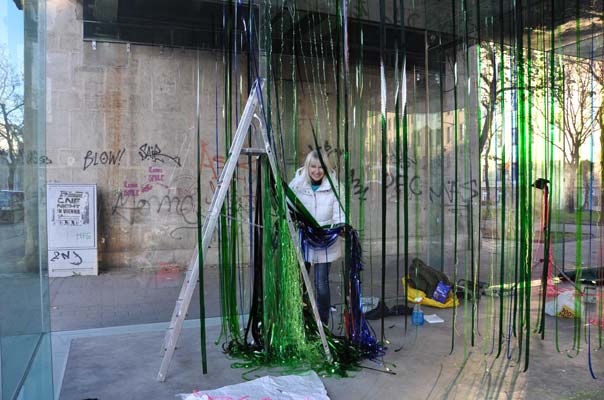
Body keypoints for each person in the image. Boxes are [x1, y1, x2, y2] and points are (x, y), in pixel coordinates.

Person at [289, 150, 344, 325]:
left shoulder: (335, 188)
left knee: (321, 283)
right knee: (300, 282)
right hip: (303, 240)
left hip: (325, 243)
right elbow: (287, 207)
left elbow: (339, 215)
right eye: (313, 166)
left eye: (321, 167)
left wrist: (339, 228)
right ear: (307, 167)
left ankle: (323, 323)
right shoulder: (297, 185)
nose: (317, 171)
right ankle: (301, 320)